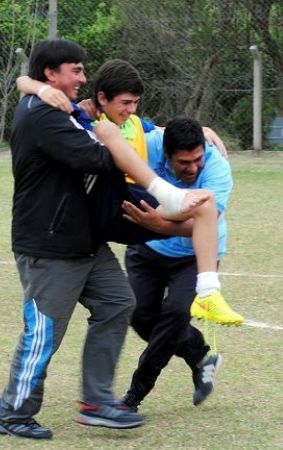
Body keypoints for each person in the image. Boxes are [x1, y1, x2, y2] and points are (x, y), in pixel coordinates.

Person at [0, 39, 211, 439]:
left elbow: (119, 140)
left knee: (118, 302)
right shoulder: (43, 115)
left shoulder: (60, 108)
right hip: (50, 246)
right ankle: (12, 411)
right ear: (51, 74)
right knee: (45, 330)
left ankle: (96, 402)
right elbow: (97, 157)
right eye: (75, 70)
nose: (83, 76)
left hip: (85, 242)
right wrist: (115, 143)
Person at [17, 60, 243, 326]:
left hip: (136, 199)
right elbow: (23, 84)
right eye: (125, 102)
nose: (131, 109)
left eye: (135, 102)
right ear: (102, 98)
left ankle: (208, 292)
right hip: (109, 201)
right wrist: (39, 88)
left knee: (206, 204)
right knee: (107, 131)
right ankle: (165, 195)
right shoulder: (86, 116)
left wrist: (199, 130)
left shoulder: (136, 123)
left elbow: (163, 132)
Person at [119, 117, 232, 412]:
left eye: (197, 160)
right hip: (146, 249)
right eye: (184, 162)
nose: (193, 168)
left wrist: (157, 222)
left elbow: (200, 223)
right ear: (166, 153)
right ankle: (198, 354)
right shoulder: (151, 145)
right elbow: (128, 127)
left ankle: (134, 395)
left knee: (176, 314)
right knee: (140, 316)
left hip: (195, 255)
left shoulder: (217, 167)